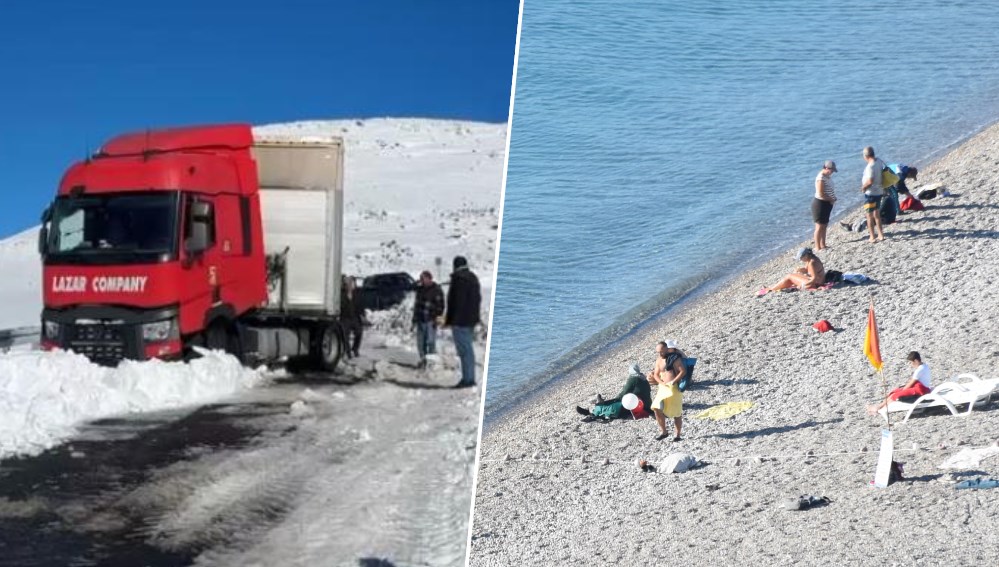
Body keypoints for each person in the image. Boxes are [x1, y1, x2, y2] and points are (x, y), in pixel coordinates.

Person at [445, 256, 481, 388]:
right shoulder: (472, 277)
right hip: (471, 319)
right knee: (468, 349)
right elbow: (477, 299)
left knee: (464, 351)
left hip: (460, 321)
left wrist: (451, 320)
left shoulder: (459, 279)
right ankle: (468, 378)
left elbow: (457, 302)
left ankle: (468, 380)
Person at [575, 363, 653, 418]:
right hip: (646, 404)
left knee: (614, 407)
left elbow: (623, 394)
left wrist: (610, 401)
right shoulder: (643, 378)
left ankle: (592, 412)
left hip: (638, 406)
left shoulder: (633, 379)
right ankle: (598, 406)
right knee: (616, 403)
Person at [867, 351, 931, 416]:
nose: (911, 365)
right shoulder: (924, 366)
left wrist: (903, 390)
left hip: (920, 390)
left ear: (916, 361)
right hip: (921, 388)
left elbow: (911, 383)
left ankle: (881, 408)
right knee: (894, 392)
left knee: (895, 395)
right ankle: (879, 406)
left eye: (911, 362)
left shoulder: (919, 370)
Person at [649, 340, 686, 441]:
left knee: (676, 413)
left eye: (662, 351)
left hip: (674, 388)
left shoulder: (674, 358)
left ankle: (677, 435)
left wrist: (674, 381)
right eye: (658, 352)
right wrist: (661, 382)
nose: (660, 353)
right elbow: (656, 374)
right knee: (656, 407)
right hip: (663, 388)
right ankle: (663, 431)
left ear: (666, 349)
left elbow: (683, 371)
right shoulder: (659, 360)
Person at [758, 247, 825, 295]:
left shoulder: (811, 263)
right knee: (793, 275)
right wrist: (800, 270)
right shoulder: (812, 259)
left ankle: (771, 289)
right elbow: (809, 270)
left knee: (789, 276)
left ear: (806, 255)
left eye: (801, 258)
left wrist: (803, 285)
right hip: (818, 281)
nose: (800, 260)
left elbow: (814, 278)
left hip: (815, 284)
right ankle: (773, 287)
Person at [413, 270, 445, 368]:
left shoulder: (436, 289)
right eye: (421, 279)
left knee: (430, 342)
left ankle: (431, 362)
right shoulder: (420, 289)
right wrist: (414, 318)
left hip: (431, 320)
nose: (422, 281)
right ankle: (423, 360)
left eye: (424, 279)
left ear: (429, 279)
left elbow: (441, 306)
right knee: (420, 343)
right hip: (420, 319)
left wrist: (438, 319)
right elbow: (417, 305)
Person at [861, 146, 887, 243]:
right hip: (879, 191)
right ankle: (881, 234)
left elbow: (870, 181)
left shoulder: (870, 166)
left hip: (871, 193)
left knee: (869, 215)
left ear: (865, 156)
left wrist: (863, 187)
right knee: (877, 214)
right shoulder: (879, 161)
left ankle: (872, 236)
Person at [812, 160, 838, 251]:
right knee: (819, 226)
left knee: (825, 224)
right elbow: (821, 194)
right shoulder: (821, 178)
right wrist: (831, 199)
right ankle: (817, 246)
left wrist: (832, 199)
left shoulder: (827, 177)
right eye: (831, 170)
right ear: (826, 168)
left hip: (827, 203)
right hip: (820, 203)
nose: (832, 173)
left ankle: (823, 244)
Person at [340, 275, 365, 358]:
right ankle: (347, 352)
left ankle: (355, 348)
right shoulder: (342, 294)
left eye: (351, 284)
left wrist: (363, 315)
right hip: (345, 318)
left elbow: (360, 305)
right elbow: (341, 306)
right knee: (345, 334)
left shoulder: (356, 294)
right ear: (345, 285)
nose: (350, 286)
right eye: (348, 284)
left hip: (355, 317)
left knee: (359, 332)